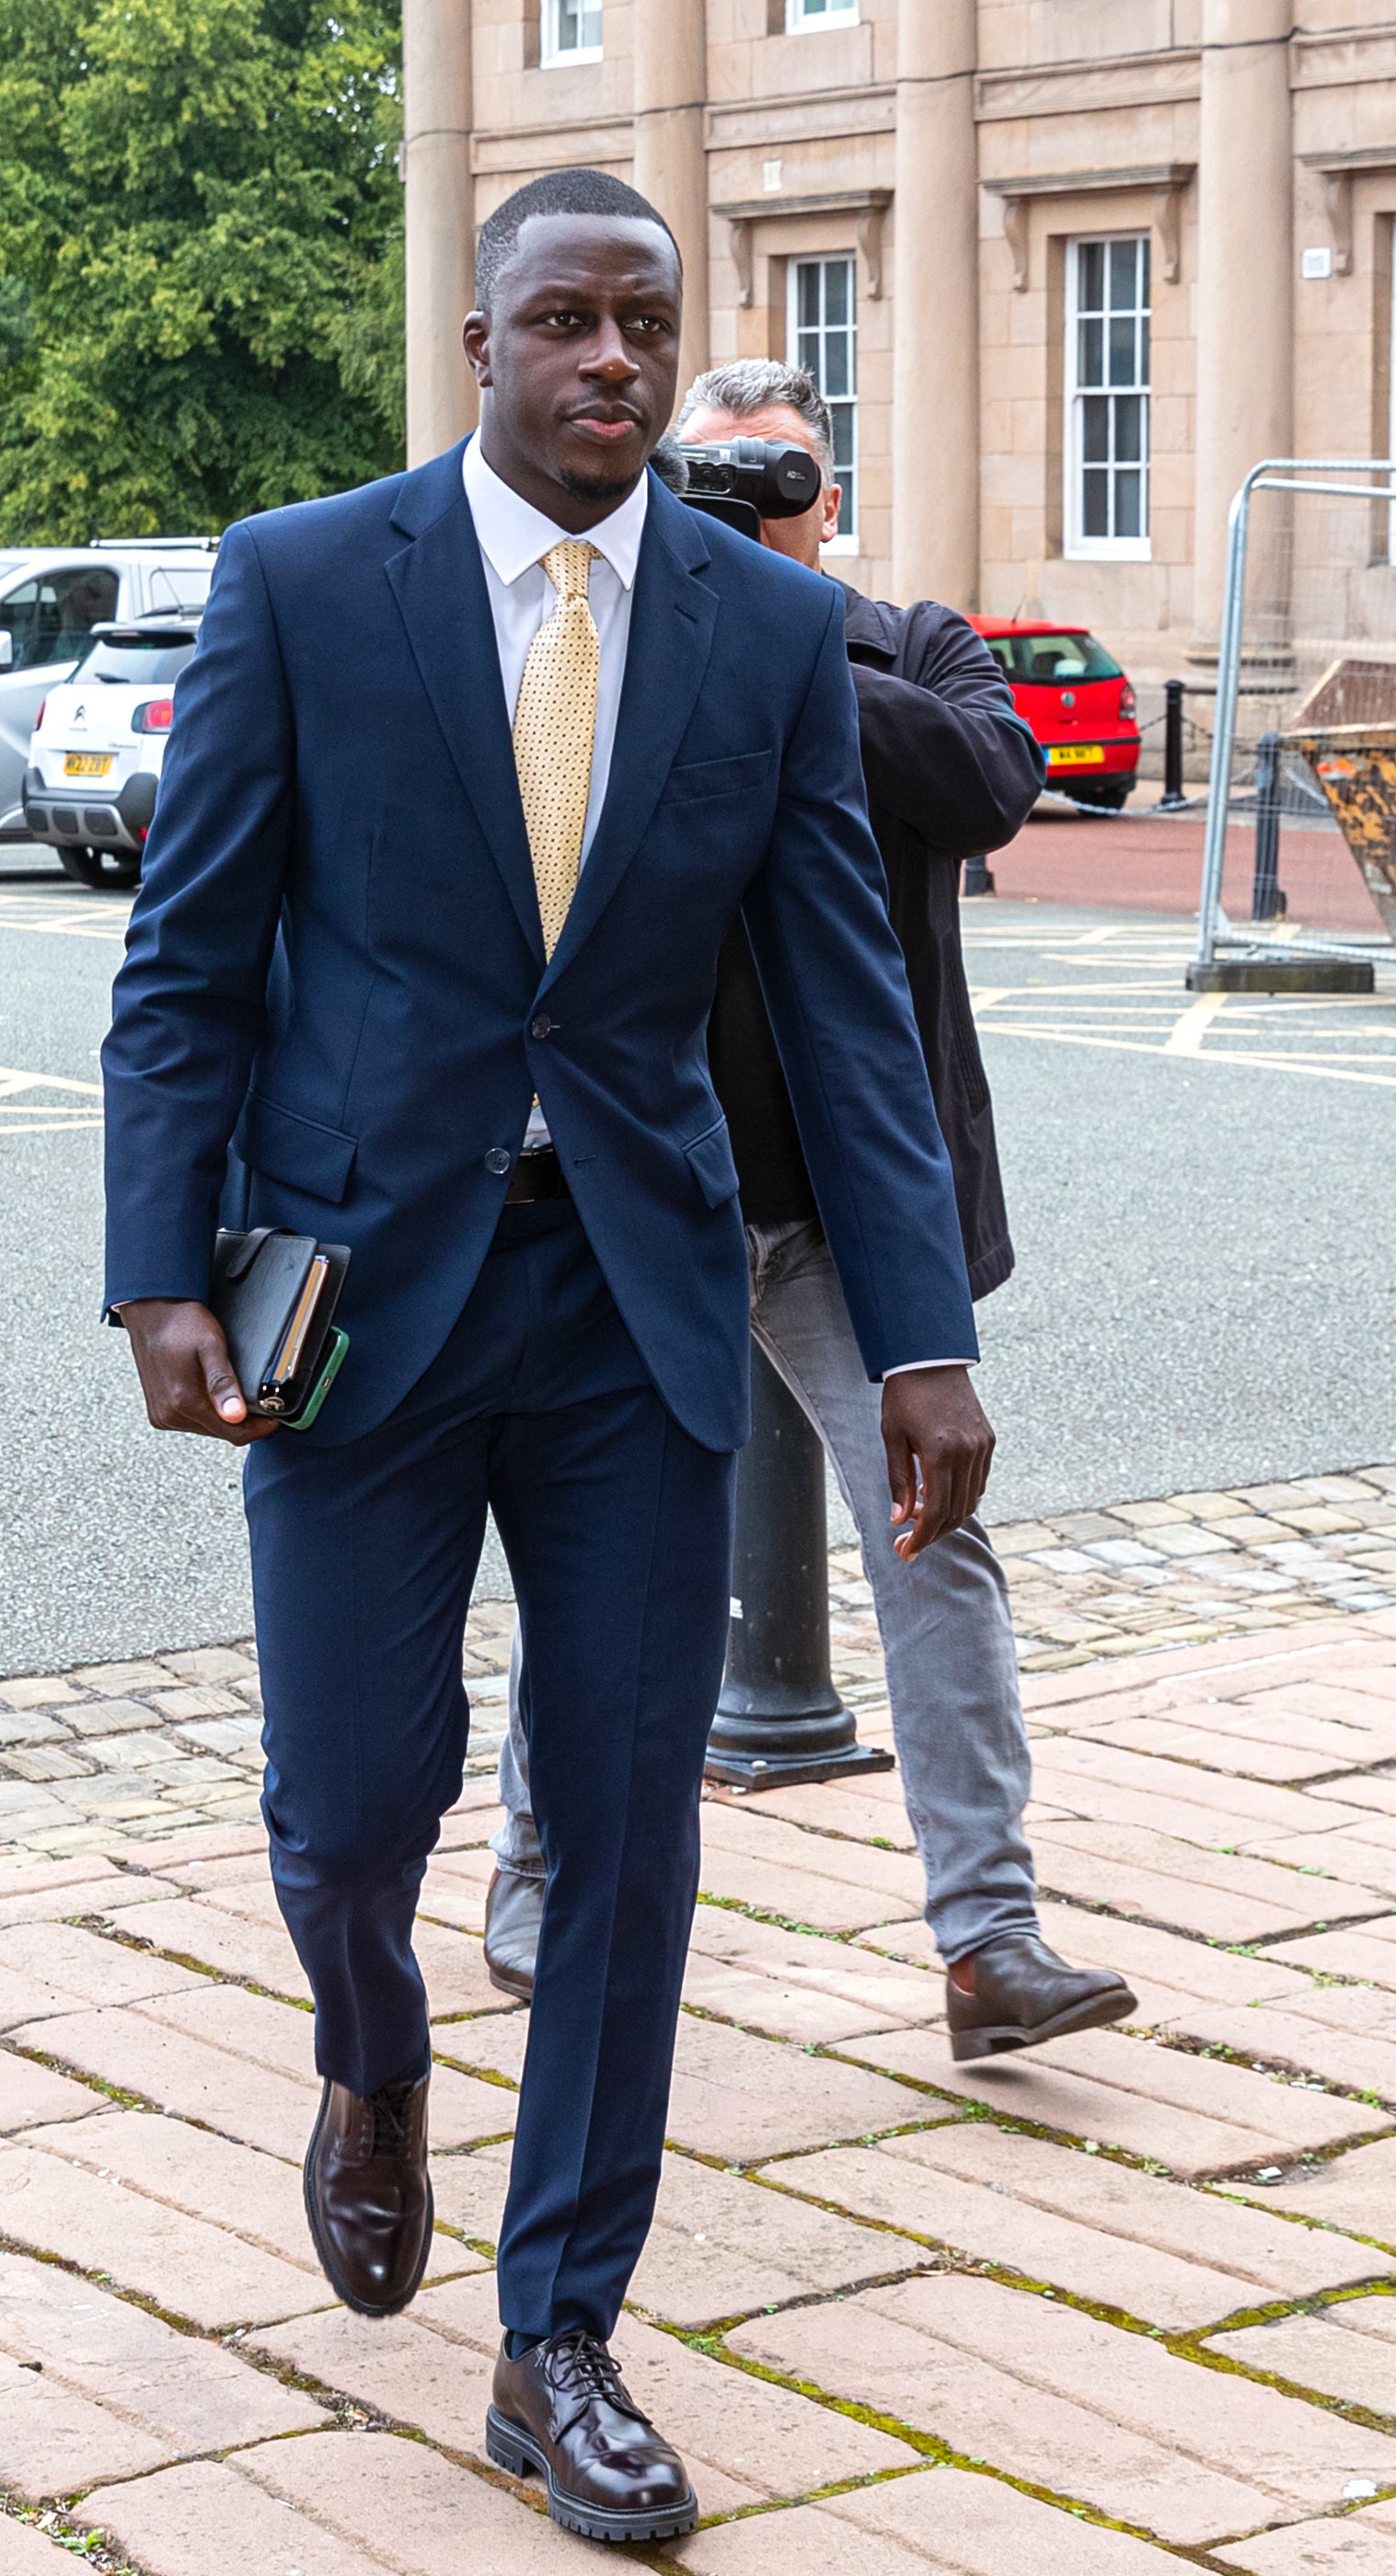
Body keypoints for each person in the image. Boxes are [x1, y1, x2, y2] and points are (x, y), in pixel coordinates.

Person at [98, 169, 988, 2548]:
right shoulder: (306, 585)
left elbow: (842, 1008)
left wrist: (919, 1339)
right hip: (356, 1307)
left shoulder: (762, 636)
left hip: (632, 1306)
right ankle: (370, 2062)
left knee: (626, 1825)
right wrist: (155, 1270)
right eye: (565, 324)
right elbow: (187, 964)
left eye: (645, 327)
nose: (610, 362)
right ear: (479, 344)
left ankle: (558, 2330)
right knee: (347, 1813)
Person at [481, 362, 1139, 2062]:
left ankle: (991, 1945)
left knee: (941, 1547)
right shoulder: (613, 636)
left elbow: (994, 784)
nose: (745, 510)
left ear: (827, 502)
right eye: (714, 484)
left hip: (857, 1202)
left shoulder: (910, 645)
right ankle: (533, 1879)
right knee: (599, 1550)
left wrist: (781, 620)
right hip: (659, 1181)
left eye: (777, 484)